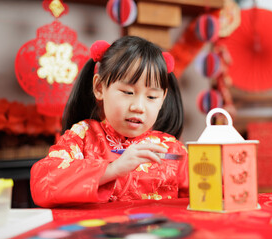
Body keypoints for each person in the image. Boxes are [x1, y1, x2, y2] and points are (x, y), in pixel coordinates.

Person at [30, 36, 188, 208]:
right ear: (99, 88)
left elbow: (206, 194)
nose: (139, 107)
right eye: (128, 92)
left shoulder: (172, 149)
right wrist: (112, 169)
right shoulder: (82, 137)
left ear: (163, 98)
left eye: (151, 97)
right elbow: (43, 182)